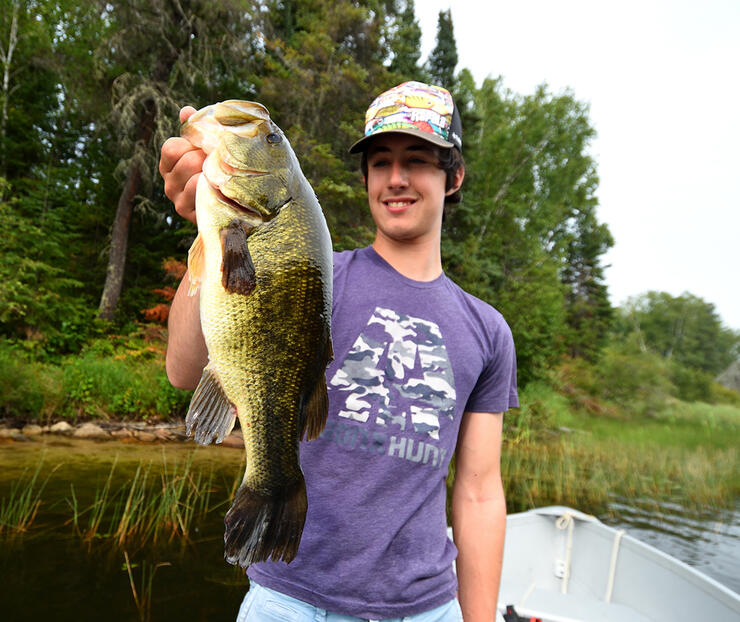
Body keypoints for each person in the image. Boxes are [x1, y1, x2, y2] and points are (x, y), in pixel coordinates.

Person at [160, 81, 518, 622]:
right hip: (288, 600)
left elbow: (480, 492)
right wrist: (209, 234)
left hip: (427, 607)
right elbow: (184, 371)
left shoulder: (488, 331)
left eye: (416, 161)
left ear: (454, 176)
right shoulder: (316, 276)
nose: (396, 178)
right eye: (381, 162)